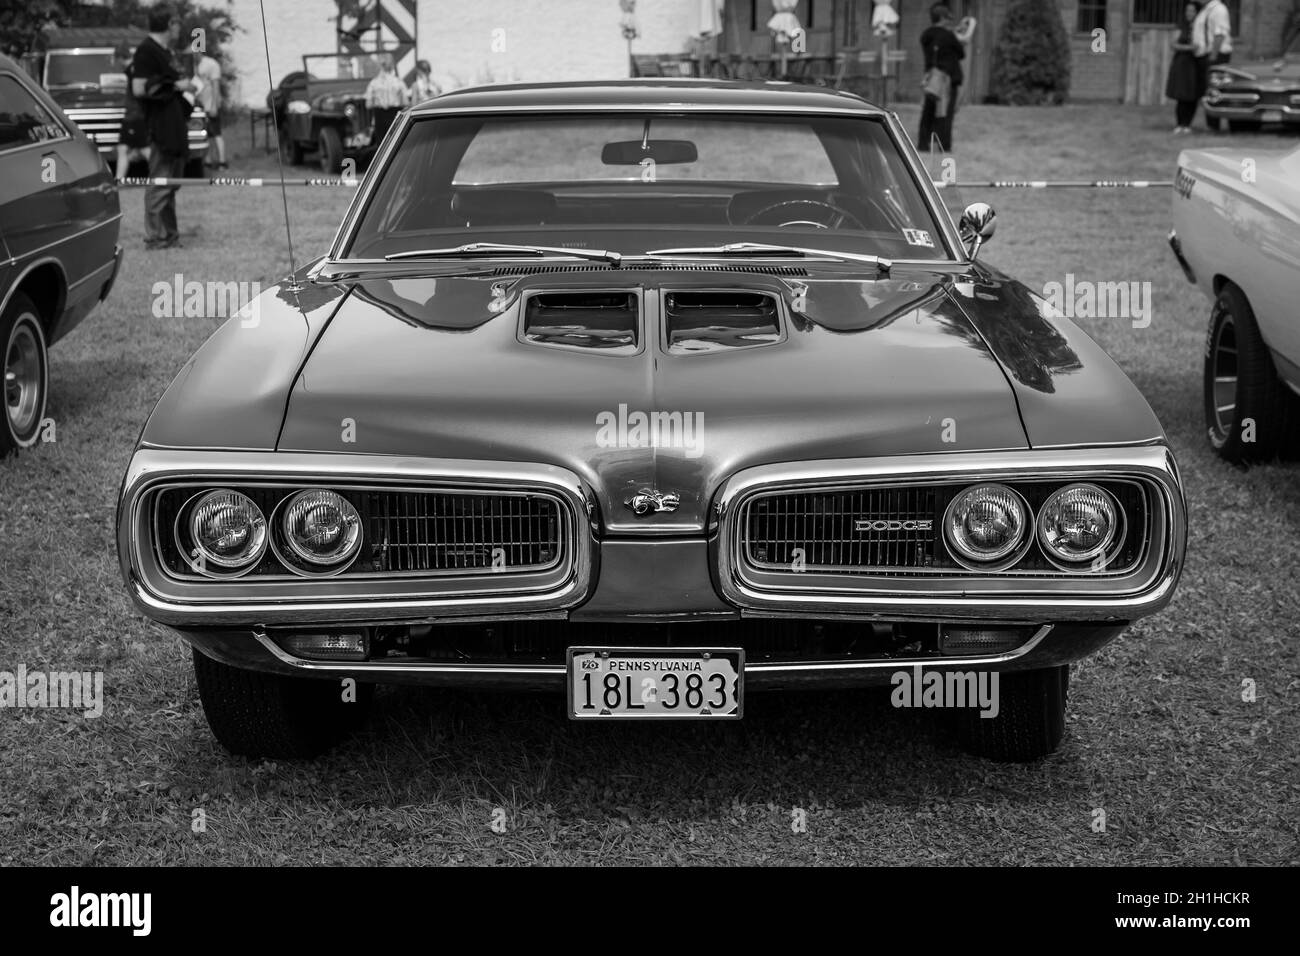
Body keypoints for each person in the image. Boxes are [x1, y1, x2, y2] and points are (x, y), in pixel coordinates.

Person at [131, 4, 196, 249]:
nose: (180, 28)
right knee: (160, 183)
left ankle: (169, 235)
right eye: (178, 23)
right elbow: (139, 88)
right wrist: (177, 85)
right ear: (170, 24)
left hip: (175, 125)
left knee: (169, 184)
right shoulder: (146, 51)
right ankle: (155, 237)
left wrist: (184, 86)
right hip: (161, 128)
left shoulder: (164, 51)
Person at [917, 3, 966, 153]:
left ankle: (923, 144)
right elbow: (961, 53)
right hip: (946, 79)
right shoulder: (948, 36)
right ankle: (945, 145)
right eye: (947, 18)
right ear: (942, 18)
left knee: (928, 112)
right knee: (945, 112)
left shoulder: (926, 35)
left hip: (931, 78)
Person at [1193, 0, 1232, 128]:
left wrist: (1213, 56)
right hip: (1206, 54)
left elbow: (1220, 34)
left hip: (1216, 54)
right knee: (1208, 90)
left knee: (1214, 89)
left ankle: (1214, 125)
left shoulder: (1219, 10)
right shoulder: (1206, 10)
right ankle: (1211, 123)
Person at [115, 41, 150, 178]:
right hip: (132, 116)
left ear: (119, 57)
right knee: (123, 148)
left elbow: (139, 91)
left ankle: (159, 177)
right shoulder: (133, 69)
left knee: (145, 149)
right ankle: (119, 180)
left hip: (136, 116)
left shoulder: (133, 69)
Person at [1167, 2, 1200, 134]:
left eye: (1192, 11)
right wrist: (1188, 48)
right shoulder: (1182, 26)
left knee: (1192, 94)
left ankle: (1187, 124)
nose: (1189, 13)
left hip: (1195, 63)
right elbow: (1173, 44)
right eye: (1187, 11)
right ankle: (1180, 123)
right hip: (1182, 63)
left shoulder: (1200, 26)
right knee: (1181, 94)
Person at [365, 53, 408, 146]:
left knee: (381, 144)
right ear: (392, 65)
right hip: (395, 114)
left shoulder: (374, 83)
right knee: (395, 142)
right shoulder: (399, 82)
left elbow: (368, 104)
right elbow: (406, 102)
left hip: (379, 114)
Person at [193, 51, 227, 170]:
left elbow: (216, 86)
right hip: (199, 106)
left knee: (216, 133)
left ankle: (222, 161)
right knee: (204, 134)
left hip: (210, 104)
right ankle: (208, 161)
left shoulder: (211, 64)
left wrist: (214, 105)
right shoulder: (193, 65)